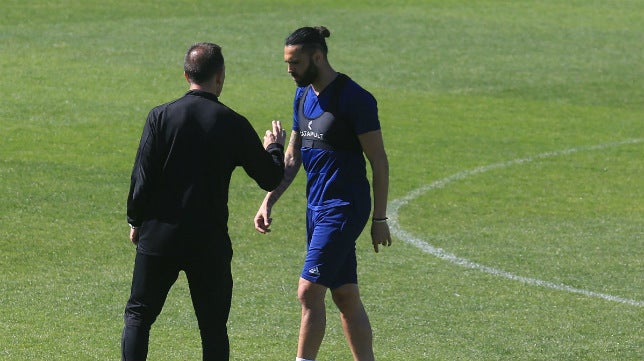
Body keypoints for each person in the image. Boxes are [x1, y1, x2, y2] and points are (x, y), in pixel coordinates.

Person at [122, 42, 286, 361]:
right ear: (220, 76)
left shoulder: (160, 117)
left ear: (186, 76)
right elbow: (269, 178)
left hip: (160, 236)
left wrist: (135, 221)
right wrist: (274, 147)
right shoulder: (232, 123)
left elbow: (141, 179)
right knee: (212, 328)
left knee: (138, 317)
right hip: (208, 241)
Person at [254, 26, 392, 361]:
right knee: (344, 295)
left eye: (296, 63)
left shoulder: (354, 98)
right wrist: (268, 199)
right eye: (287, 63)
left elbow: (379, 161)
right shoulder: (302, 95)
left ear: (318, 57)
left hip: (344, 207)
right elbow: (293, 155)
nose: (290, 70)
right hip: (316, 208)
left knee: (308, 292)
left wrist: (380, 218)